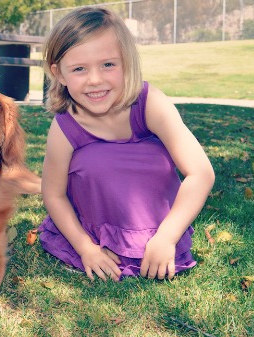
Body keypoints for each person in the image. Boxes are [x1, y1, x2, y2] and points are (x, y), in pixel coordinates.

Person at [38, 6, 215, 282]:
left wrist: (167, 238)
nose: (95, 80)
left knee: (151, 153)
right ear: (59, 74)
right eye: (79, 69)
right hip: (93, 234)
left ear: (127, 63)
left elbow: (201, 172)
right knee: (95, 160)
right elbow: (53, 194)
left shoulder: (150, 103)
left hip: (160, 230)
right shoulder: (64, 126)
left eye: (108, 64)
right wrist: (86, 248)